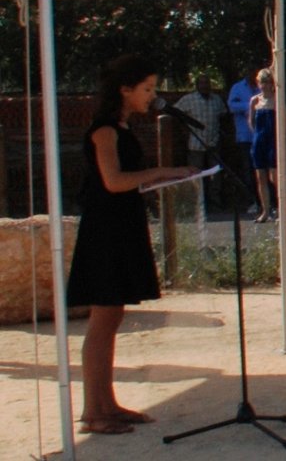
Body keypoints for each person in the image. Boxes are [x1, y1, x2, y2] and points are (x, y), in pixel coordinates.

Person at [65, 55, 196, 435]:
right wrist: (161, 171)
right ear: (124, 89)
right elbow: (113, 181)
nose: (152, 96)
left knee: (112, 318)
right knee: (102, 321)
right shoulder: (104, 130)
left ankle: (108, 404)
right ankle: (93, 411)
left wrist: (163, 178)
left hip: (121, 227)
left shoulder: (122, 126)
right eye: (148, 89)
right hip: (105, 232)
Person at [173, 73, 227, 211]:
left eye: (207, 83)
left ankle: (216, 203)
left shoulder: (216, 100)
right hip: (195, 143)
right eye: (202, 83)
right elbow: (174, 113)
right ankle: (196, 205)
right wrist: (184, 132)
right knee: (195, 174)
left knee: (216, 175)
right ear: (197, 85)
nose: (205, 86)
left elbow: (223, 116)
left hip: (213, 142)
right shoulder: (188, 99)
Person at [249, 68, 286, 223]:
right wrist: (257, 136)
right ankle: (265, 211)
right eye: (262, 82)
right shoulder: (255, 100)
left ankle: (285, 207)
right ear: (258, 83)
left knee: (275, 176)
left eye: (267, 82)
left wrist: (279, 136)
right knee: (260, 176)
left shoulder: (277, 99)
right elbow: (251, 121)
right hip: (259, 140)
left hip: (273, 139)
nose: (265, 85)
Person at [227, 66, 260, 212]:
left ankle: (264, 201)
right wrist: (250, 106)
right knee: (247, 170)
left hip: (260, 135)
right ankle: (251, 201)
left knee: (261, 169)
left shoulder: (262, 86)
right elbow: (231, 106)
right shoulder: (238, 87)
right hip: (244, 136)